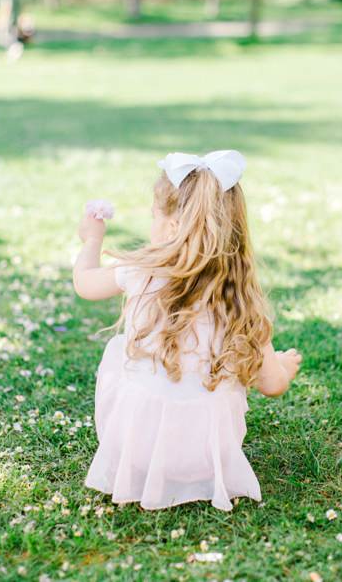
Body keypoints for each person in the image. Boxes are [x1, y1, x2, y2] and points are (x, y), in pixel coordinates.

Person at [72, 150, 301, 511]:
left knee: (120, 351)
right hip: (205, 455)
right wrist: (285, 366)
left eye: (153, 217)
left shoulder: (141, 270)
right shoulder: (243, 300)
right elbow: (273, 385)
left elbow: (85, 283)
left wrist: (92, 241)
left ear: (174, 228)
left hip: (139, 448)